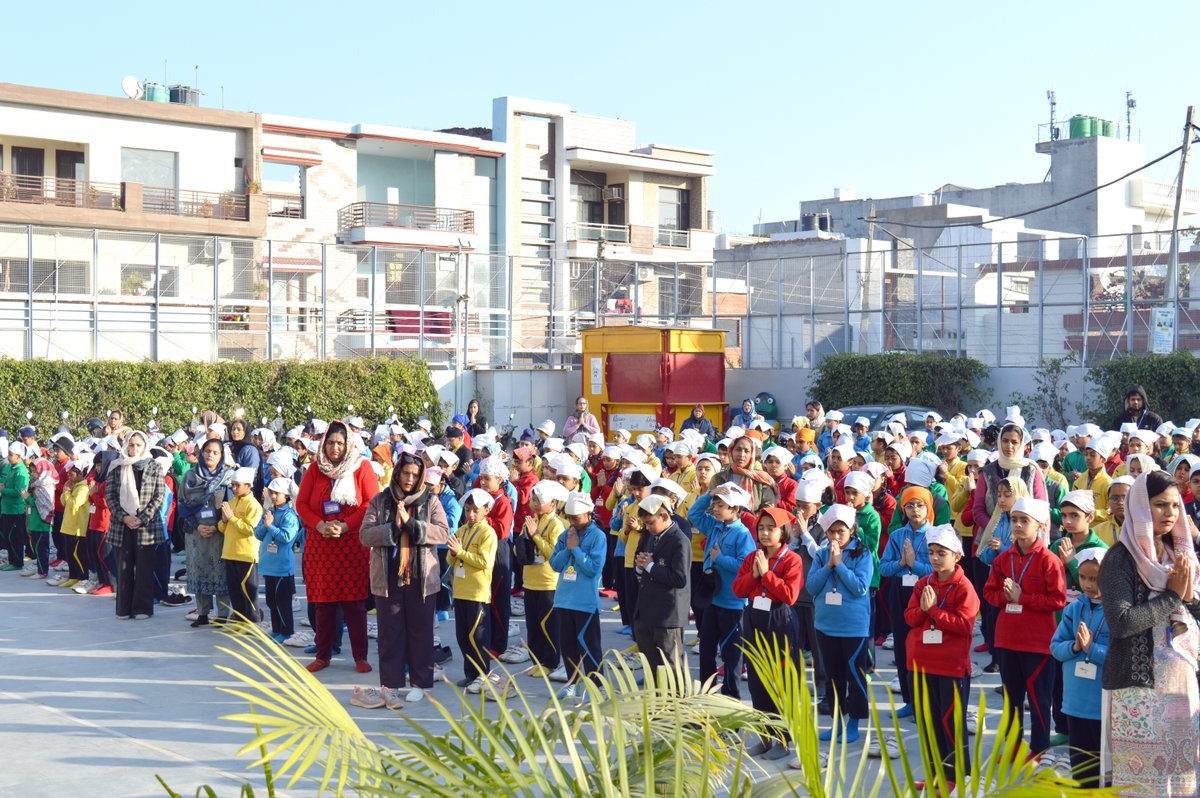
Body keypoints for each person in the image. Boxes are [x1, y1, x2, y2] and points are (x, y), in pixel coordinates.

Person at [1099, 469, 1200, 796]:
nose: (1169, 513)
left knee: (1182, 775)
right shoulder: (1120, 559)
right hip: (1138, 689)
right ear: (1141, 507)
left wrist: (1186, 596)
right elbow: (1123, 622)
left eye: (1174, 505)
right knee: (1144, 783)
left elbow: (1195, 605)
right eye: (1159, 505)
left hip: (1181, 684)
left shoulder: (1179, 553)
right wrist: (1172, 596)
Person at [356, 449, 450, 710]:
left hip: (421, 578)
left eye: (415, 474)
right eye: (406, 473)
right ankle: (391, 684)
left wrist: (412, 524)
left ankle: (420, 684)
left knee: (421, 632)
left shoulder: (430, 500)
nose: (410, 479)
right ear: (397, 473)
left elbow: (443, 533)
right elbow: (365, 535)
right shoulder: (380, 501)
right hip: (387, 577)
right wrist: (394, 528)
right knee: (390, 633)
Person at [983, 497, 1065, 756]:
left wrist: (1023, 599)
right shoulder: (1003, 558)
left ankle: (1039, 748)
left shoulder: (1049, 560)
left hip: (1038, 642)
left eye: (1024, 521)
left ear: (1040, 525)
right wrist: (1006, 598)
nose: (1017, 525)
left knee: (1040, 699)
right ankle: (1014, 744)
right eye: (1014, 520)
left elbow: (1058, 600)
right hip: (1007, 639)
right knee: (1012, 697)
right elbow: (989, 592)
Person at [296, 419, 380, 674]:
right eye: (331, 442)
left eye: (340, 443)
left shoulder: (361, 467)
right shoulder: (315, 469)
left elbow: (370, 503)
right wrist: (319, 525)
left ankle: (360, 657)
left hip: (352, 544)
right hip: (320, 545)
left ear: (348, 444)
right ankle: (323, 655)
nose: (334, 447)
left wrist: (345, 526)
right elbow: (302, 505)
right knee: (323, 604)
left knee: (354, 604)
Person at [903, 524, 979, 785]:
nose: (935, 558)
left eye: (941, 553)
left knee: (951, 725)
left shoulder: (964, 587)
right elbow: (910, 618)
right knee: (928, 723)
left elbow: (964, 625)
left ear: (957, 555)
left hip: (951, 667)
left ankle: (957, 777)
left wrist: (934, 611)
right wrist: (925, 610)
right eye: (932, 552)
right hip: (922, 664)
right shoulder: (924, 583)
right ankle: (936, 775)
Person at [733, 506, 804, 761]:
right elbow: (738, 590)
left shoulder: (791, 559)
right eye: (761, 528)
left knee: (780, 683)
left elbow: (790, 595)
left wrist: (766, 575)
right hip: (754, 619)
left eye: (770, 528)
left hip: (779, 620)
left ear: (782, 531)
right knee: (757, 681)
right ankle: (764, 738)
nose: (764, 533)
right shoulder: (753, 557)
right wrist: (754, 575)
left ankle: (783, 740)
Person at [808, 504, 874, 743]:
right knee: (833, 677)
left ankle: (854, 722)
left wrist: (840, 565)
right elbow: (811, 586)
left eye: (841, 531)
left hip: (853, 627)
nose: (835, 536)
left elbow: (860, 587)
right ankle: (837, 722)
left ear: (852, 530)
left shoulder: (862, 553)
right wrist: (829, 565)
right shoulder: (821, 554)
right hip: (825, 625)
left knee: (854, 677)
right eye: (831, 531)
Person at [689, 482, 756, 698]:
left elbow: (744, 566)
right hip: (712, 599)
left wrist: (720, 559)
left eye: (721, 505)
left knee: (731, 656)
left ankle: (730, 699)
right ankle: (708, 695)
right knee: (706, 651)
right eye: (715, 505)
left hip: (733, 604)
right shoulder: (714, 526)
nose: (715, 509)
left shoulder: (742, 534)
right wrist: (710, 493)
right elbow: (694, 513)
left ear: (736, 509)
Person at [1050, 548, 1108, 789]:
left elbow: (1120, 656)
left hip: (1103, 705)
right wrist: (1075, 648)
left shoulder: (1117, 612)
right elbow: (1055, 646)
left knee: (1104, 772)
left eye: (1094, 578)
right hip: (1075, 704)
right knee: (1082, 771)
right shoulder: (1074, 609)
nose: (1087, 584)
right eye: (1083, 577)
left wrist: (1091, 649)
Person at [879, 485, 935, 717]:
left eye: (919, 505)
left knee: (924, 648)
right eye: (909, 506)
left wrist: (914, 564)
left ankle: (926, 703)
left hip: (927, 594)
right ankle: (909, 701)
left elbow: (939, 570)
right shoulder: (897, 536)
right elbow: (884, 568)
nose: (914, 510)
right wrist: (902, 564)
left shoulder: (936, 534)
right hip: (900, 592)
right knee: (902, 647)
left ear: (928, 507)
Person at [549, 492, 607, 699]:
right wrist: (569, 549)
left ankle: (596, 686)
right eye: (570, 518)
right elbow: (554, 564)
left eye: (576, 517)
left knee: (589, 646)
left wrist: (577, 550)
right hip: (564, 599)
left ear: (589, 513)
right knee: (568, 646)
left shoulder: (598, 536)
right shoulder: (566, 535)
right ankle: (573, 682)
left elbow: (593, 569)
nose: (572, 522)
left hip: (585, 602)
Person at [106, 430, 167, 620]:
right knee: (123, 568)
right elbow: (111, 496)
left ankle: (142, 608)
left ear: (145, 446)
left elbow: (159, 496)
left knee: (144, 568)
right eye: (131, 445)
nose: (134, 448)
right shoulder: (117, 467)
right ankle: (124, 608)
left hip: (146, 526)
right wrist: (125, 517)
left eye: (138, 445)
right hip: (122, 525)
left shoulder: (155, 466)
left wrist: (142, 517)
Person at [632, 494, 691, 680]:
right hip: (647, 610)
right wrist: (640, 567)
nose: (648, 528)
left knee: (670, 666)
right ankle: (657, 704)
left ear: (665, 516)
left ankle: (676, 706)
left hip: (668, 616)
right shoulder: (651, 536)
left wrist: (650, 566)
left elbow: (680, 579)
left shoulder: (680, 541)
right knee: (652, 667)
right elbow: (643, 564)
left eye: (650, 523)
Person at [178, 439, 233, 627]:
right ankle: (202, 613)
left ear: (221, 456)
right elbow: (182, 505)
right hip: (196, 534)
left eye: (215, 452)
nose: (210, 455)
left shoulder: (227, 478)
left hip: (220, 533)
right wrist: (196, 525)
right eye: (207, 451)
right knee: (198, 569)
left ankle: (222, 615)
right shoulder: (190, 477)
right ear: (201, 453)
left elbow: (232, 506)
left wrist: (217, 526)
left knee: (221, 572)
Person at [447, 488, 497, 695]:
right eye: (467, 510)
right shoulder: (462, 530)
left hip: (477, 592)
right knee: (463, 636)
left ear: (486, 510)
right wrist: (454, 553)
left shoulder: (487, 533)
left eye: (475, 510)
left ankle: (483, 675)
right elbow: (451, 560)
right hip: (460, 591)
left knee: (478, 637)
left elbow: (485, 562)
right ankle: (470, 673)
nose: (470, 515)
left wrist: (461, 553)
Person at [515, 480, 567, 677]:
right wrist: (524, 540)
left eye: (539, 500)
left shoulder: (556, 525)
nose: (535, 503)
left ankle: (551, 661)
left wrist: (535, 536)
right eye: (533, 499)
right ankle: (536, 659)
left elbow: (553, 553)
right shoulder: (532, 520)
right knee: (533, 625)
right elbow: (518, 547)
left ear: (552, 503)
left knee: (549, 625)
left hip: (548, 583)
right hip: (530, 580)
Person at [255, 477, 300, 643]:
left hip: (282, 567)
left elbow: (287, 538)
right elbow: (257, 533)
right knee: (271, 601)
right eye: (271, 492)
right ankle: (276, 629)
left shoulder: (290, 516)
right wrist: (265, 526)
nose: (272, 496)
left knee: (283, 602)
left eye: (276, 493)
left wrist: (270, 527)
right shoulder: (269, 512)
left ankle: (287, 631)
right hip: (268, 565)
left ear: (287, 496)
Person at [219, 466, 264, 623]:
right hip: (229, 552)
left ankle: (253, 621)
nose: (234, 488)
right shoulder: (232, 502)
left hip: (246, 555)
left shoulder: (254, 505)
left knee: (248, 592)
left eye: (238, 485)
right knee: (235, 591)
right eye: (233, 485)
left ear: (248, 485)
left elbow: (251, 530)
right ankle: (238, 620)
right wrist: (224, 520)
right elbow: (223, 528)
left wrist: (231, 518)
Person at [0, 443, 30, 571]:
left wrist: (3, 490)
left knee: (15, 538)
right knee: (8, 537)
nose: (9, 457)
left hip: (15, 510)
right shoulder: (12, 468)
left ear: (19, 457)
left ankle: (17, 562)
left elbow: (19, 492)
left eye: (11, 455)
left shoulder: (21, 471)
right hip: (7, 509)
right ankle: (12, 561)